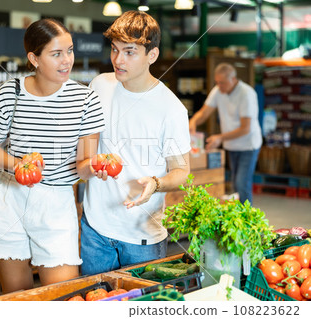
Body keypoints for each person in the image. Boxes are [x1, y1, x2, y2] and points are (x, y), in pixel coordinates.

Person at [0, 18, 105, 293]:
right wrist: (18, 165)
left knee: (62, 295)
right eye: (56, 54)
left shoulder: (86, 100)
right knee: (18, 295)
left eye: (69, 51)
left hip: (56, 203)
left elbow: (82, 165)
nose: (66, 60)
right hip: (11, 199)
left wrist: (94, 167)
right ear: (33, 58)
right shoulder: (9, 93)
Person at [81, 11, 191, 276]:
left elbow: (182, 172)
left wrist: (156, 183)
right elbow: (85, 156)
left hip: (142, 235)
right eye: (115, 50)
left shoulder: (171, 108)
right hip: (94, 229)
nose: (118, 60)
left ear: (151, 55)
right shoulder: (99, 86)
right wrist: (91, 165)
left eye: (129, 52)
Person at [189, 63, 262, 204]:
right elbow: (204, 112)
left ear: (233, 79)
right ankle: (238, 219)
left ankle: (247, 222)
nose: (219, 86)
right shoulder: (218, 91)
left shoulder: (246, 94)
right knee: (235, 185)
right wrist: (193, 122)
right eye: (217, 82)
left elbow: (246, 128)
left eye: (222, 83)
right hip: (232, 145)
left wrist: (220, 138)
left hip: (248, 145)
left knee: (242, 184)